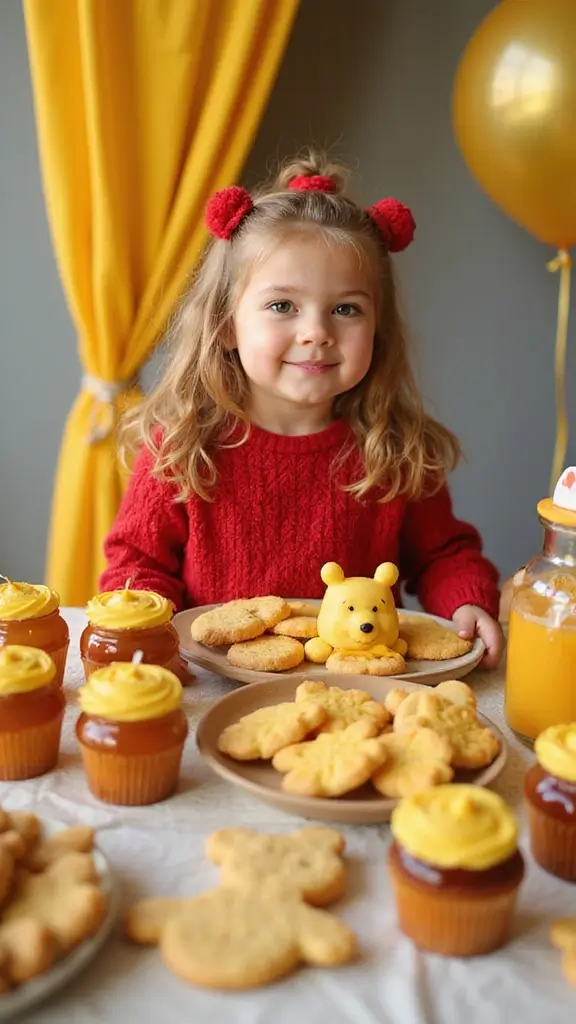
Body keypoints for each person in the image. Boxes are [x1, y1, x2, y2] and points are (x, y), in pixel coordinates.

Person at [101, 153, 504, 667]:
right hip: (210, 690)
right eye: (282, 306)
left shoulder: (395, 449)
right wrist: (148, 638)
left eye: (345, 309)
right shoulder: (182, 445)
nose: (317, 331)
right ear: (226, 324)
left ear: (378, 329)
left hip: (359, 690)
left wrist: (467, 599)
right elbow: (137, 565)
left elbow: (444, 555)